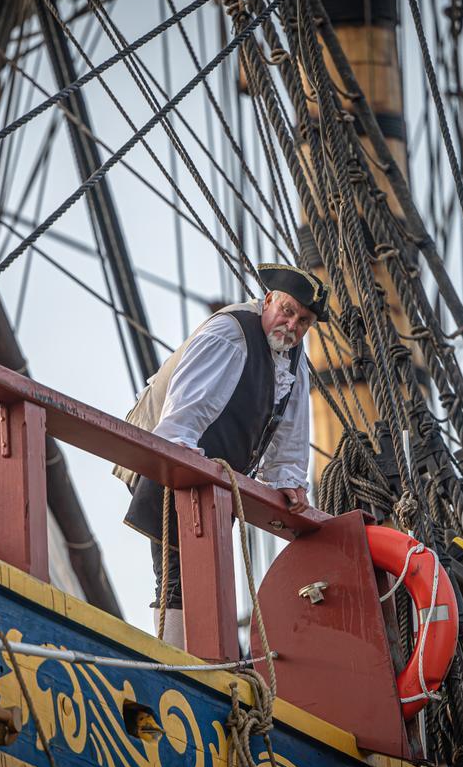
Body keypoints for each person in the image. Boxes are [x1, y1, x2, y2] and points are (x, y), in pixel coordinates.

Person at [113, 263, 328, 647]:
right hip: (172, 451)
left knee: (203, 568)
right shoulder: (231, 334)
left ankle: (193, 656)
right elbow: (184, 410)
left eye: (304, 320)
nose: (292, 325)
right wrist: (182, 458)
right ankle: (177, 660)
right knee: (178, 569)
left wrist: (288, 481)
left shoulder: (293, 359)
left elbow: (290, 430)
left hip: (211, 471)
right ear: (267, 301)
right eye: (288, 311)